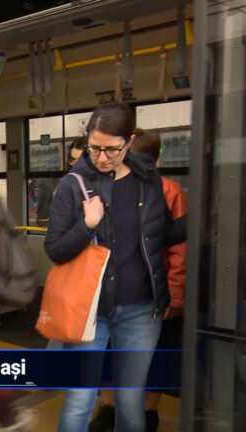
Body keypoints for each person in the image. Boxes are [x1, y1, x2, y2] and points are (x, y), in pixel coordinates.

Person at [45, 104, 186, 432]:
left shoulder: (147, 179)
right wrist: (87, 225)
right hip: (91, 310)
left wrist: (201, 220)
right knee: (80, 398)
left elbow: (162, 235)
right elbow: (55, 249)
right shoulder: (73, 184)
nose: (102, 157)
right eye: (95, 147)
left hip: (141, 311)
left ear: (130, 141)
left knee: (130, 398)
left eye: (112, 149)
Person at [88, 129, 188, 432]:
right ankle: (116, 408)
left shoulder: (166, 191)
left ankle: (141, 411)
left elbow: (178, 249)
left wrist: (174, 296)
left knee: (148, 355)